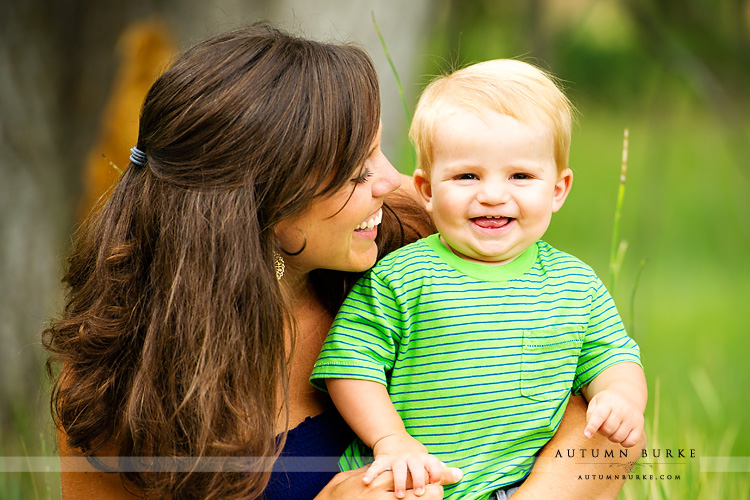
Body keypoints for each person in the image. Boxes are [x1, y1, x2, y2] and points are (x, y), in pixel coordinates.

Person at [44, 25, 641, 500]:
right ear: (264, 206)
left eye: (379, 149)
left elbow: (600, 428)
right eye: (355, 169)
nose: (390, 179)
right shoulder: (120, 374)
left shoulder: (416, 228)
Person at [311, 59, 647, 500]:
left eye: (521, 176)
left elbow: (614, 358)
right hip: (415, 480)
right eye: (467, 175)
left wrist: (620, 398)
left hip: (522, 486)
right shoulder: (402, 276)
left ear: (558, 189)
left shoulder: (574, 284)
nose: (491, 194)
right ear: (427, 190)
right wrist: (390, 440)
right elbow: (352, 367)